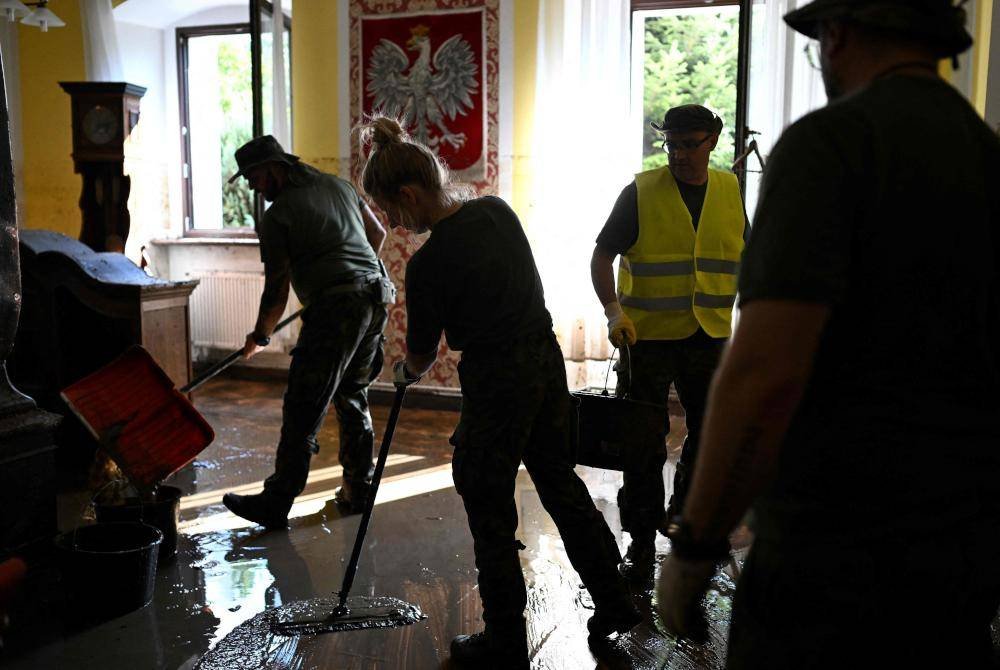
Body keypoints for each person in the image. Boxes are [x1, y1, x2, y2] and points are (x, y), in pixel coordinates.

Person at [655, 2, 1000, 668]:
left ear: (837, 35)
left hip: (837, 555)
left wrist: (696, 546)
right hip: (964, 545)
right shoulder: (986, 154)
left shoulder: (832, 144)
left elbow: (764, 374)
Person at [358, 116, 639, 668]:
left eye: (391, 211)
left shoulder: (428, 264)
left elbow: (421, 353)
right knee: (559, 482)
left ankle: (506, 641)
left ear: (410, 194)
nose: (392, 223)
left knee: (488, 504)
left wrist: (403, 372)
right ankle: (615, 600)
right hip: (544, 361)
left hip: (495, 380)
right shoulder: (498, 211)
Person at [590, 104, 747, 585]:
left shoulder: (729, 189)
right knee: (641, 440)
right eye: (671, 144)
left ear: (713, 141)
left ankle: (685, 519)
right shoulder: (640, 192)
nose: (678, 154)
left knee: (711, 435)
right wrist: (614, 312)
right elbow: (601, 256)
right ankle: (639, 538)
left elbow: (748, 256)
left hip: (710, 334)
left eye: (689, 143)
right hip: (648, 338)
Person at [221, 135, 396, 529]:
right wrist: (358, 277)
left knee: (304, 405)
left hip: (337, 311)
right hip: (376, 298)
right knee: (352, 394)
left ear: (275, 168)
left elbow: (277, 289)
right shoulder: (340, 186)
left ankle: (277, 500)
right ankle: (358, 491)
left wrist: (261, 335)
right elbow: (378, 236)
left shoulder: (279, 216)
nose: (251, 186)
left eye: (254, 176)